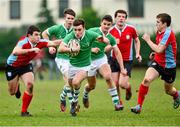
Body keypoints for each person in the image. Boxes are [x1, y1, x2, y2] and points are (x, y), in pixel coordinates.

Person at [5, 25, 61, 117]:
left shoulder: (40, 42)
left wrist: (69, 39)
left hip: (25, 65)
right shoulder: (23, 42)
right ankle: (17, 87)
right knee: (12, 92)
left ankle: (24, 111)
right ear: (29, 36)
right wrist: (31, 50)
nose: (38, 37)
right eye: (35, 35)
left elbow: (54, 42)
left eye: (39, 35)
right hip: (12, 66)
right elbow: (15, 52)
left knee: (30, 85)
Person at [58, 18, 110, 116]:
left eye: (79, 30)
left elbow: (106, 40)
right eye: (75, 29)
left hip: (85, 66)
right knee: (69, 85)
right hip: (72, 65)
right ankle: (62, 97)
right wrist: (71, 49)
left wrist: (103, 39)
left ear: (84, 28)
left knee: (76, 82)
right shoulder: (70, 36)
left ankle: (74, 103)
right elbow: (60, 49)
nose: (77, 32)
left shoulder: (90, 34)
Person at [131, 13, 180, 114]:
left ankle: (176, 95)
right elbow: (160, 47)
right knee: (146, 80)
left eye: (158, 22)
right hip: (158, 63)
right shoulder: (159, 31)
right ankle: (139, 106)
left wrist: (148, 40)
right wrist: (155, 52)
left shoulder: (168, 33)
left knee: (168, 91)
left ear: (164, 24)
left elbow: (160, 49)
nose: (156, 24)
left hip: (169, 67)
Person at [82, 15, 127, 111]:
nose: (106, 26)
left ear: (111, 25)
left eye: (108, 24)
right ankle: (85, 94)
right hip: (88, 60)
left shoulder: (111, 38)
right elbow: (82, 44)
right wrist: (91, 49)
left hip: (101, 59)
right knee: (91, 86)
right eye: (104, 24)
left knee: (107, 76)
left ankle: (116, 103)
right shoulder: (92, 31)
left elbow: (117, 52)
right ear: (101, 23)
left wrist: (122, 68)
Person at [42, 8, 76, 112]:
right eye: (68, 18)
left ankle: (62, 97)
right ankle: (72, 106)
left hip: (74, 60)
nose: (70, 20)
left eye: (72, 18)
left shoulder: (76, 30)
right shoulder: (57, 28)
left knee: (73, 83)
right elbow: (44, 33)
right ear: (64, 18)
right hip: (61, 59)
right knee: (68, 79)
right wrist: (49, 46)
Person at [108, 9, 142, 108]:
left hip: (127, 60)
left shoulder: (131, 29)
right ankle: (118, 103)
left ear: (125, 19)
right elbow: (106, 46)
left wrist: (138, 53)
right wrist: (113, 43)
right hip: (114, 59)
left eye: (123, 17)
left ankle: (128, 88)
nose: (121, 18)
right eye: (119, 16)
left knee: (122, 84)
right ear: (115, 18)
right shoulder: (110, 31)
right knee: (115, 83)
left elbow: (137, 41)